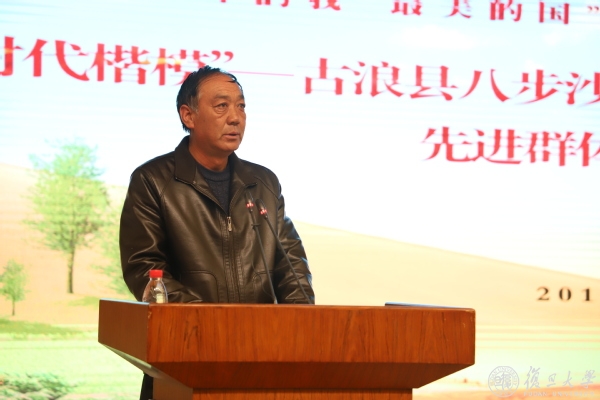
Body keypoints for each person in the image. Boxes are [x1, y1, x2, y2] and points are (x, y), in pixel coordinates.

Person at [119, 66, 315, 400]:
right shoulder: (153, 181)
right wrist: (215, 326)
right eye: (222, 106)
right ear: (189, 115)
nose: (236, 117)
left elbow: (291, 267)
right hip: (184, 360)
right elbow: (145, 268)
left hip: (261, 360)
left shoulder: (263, 183)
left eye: (241, 106)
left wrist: (301, 330)